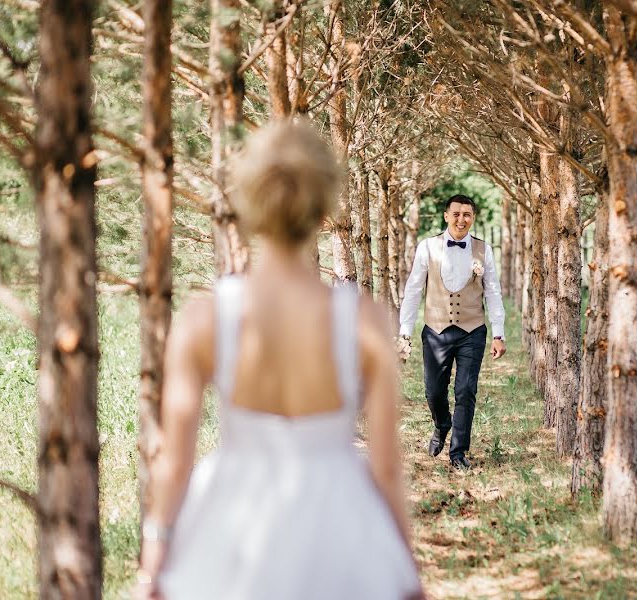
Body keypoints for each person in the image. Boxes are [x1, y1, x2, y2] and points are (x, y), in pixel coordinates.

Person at [136, 121, 421, 599]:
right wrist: (406, 570)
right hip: (343, 533)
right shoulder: (366, 323)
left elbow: (175, 462)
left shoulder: (205, 320)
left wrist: (153, 563)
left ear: (248, 198)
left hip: (231, 532)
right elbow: (388, 468)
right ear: (325, 204)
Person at [397, 195, 506, 471]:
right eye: (456, 214)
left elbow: (493, 291)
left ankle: (458, 453)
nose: (461, 219)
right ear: (446, 216)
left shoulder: (484, 250)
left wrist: (498, 333)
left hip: (473, 331)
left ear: (473, 217)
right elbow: (413, 290)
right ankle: (442, 423)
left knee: (466, 390)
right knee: (434, 392)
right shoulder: (427, 247)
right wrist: (405, 332)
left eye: (467, 214)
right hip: (436, 331)